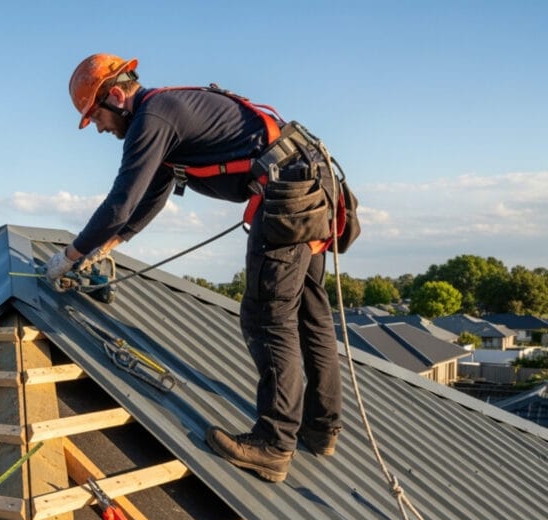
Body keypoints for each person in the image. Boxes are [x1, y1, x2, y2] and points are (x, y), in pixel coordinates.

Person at [48, 53, 345, 483]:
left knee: (267, 318)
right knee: (309, 313)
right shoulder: (165, 113)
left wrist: (69, 256)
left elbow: (120, 202)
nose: (98, 127)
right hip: (311, 183)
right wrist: (112, 243)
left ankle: (274, 444)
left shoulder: (152, 118)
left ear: (116, 96)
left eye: (96, 115)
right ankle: (321, 429)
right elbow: (155, 190)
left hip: (287, 195)